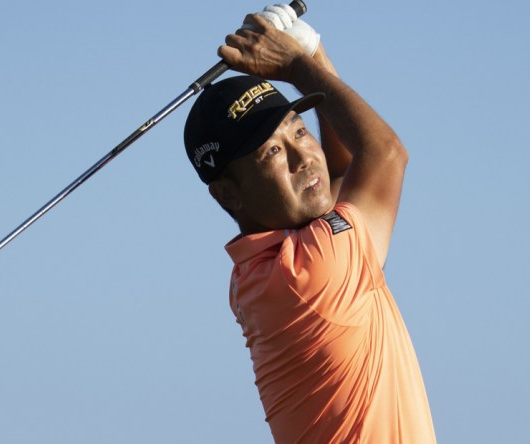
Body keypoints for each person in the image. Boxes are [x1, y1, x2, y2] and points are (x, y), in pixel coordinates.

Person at [183, 5, 436, 443]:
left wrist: (312, 49)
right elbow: (385, 155)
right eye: (272, 153)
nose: (304, 156)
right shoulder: (312, 273)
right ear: (227, 193)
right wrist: (296, 65)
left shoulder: (260, 272)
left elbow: (335, 177)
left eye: (299, 131)